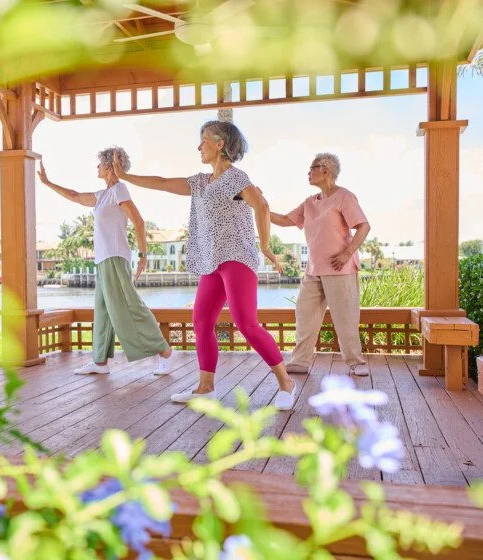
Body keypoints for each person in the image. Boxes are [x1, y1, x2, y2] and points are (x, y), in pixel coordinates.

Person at [112, 121, 296, 410]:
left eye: (203, 141)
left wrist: (265, 246)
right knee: (201, 321)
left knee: (245, 322)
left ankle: (286, 383)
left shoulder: (236, 179)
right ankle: (206, 387)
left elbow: (261, 205)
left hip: (236, 256)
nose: (199, 146)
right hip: (212, 260)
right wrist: (125, 175)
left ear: (219, 144)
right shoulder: (199, 182)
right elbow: (160, 183)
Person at [38, 147, 176, 375]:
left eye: (100, 164)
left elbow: (139, 222)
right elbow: (74, 195)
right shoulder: (102, 196)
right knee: (102, 310)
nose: (97, 168)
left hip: (115, 256)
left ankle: (165, 352)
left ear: (110, 167)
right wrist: (48, 182)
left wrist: (143, 255)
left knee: (130, 306)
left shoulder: (119, 190)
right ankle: (100, 362)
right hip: (103, 260)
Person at [270, 153, 371, 376]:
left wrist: (347, 253)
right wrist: (258, 204)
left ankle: (356, 362)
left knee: (345, 318)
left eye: (312, 168)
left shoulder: (345, 197)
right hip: (313, 270)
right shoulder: (309, 202)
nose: (308, 173)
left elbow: (363, 227)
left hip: (339, 269)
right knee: (304, 316)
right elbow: (285, 220)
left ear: (325, 170)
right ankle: (300, 361)